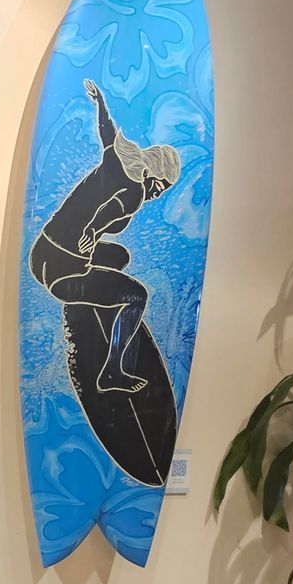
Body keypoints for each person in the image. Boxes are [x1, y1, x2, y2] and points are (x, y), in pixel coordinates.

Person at [28, 79, 180, 394]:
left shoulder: (117, 159)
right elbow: (108, 210)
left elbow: (106, 130)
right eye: (161, 187)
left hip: (41, 255)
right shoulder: (135, 192)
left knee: (119, 257)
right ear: (153, 174)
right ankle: (113, 372)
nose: (156, 195)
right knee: (138, 296)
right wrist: (91, 232)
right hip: (65, 274)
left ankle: (96, 299)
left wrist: (100, 102)